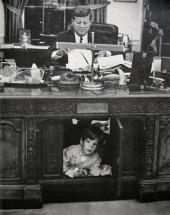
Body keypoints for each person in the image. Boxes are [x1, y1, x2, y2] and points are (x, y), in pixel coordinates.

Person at [46, 5, 113, 66]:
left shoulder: (98, 36)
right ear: (72, 21)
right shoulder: (63, 36)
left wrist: (106, 53)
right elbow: (46, 56)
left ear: (90, 22)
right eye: (78, 22)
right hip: (70, 75)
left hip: (93, 74)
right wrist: (59, 53)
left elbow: (117, 51)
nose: (81, 26)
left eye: (85, 23)